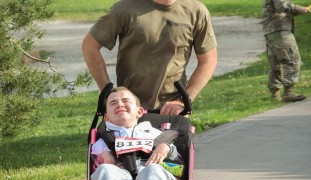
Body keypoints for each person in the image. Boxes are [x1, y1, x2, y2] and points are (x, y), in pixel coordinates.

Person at [82, 0, 217, 115]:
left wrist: (183, 101)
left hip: (173, 112)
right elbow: (90, 46)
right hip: (129, 112)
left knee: (171, 147)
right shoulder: (125, 8)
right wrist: (108, 93)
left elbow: (208, 60)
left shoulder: (196, 11)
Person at [91, 87, 183, 180]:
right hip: (119, 174)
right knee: (104, 170)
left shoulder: (154, 132)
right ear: (107, 117)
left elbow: (177, 159)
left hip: (149, 170)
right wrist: (103, 155)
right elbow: (95, 161)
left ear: (139, 111)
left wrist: (166, 148)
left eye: (125, 100)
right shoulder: (104, 139)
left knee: (153, 170)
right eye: (113, 103)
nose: (120, 104)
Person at [262, 0, 311, 102]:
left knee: (276, 62)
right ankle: (288, 92)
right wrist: (299, 8)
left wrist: (300, 10)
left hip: (271, 30)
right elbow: (282, 5)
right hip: (280, 30)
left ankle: (275, 95)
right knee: (292, 59)